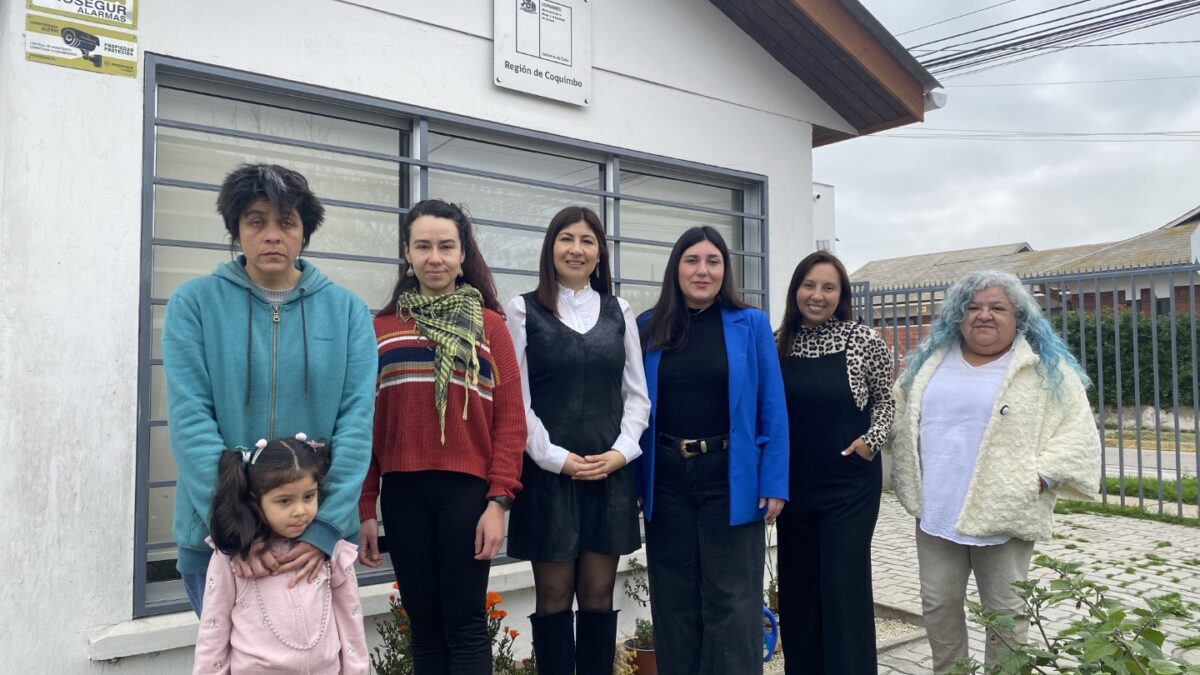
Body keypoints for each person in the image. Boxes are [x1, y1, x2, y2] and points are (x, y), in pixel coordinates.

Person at [163, 164, 377, 616]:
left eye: (286, 222)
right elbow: (189, 419)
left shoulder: (348, 313)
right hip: (221, 543)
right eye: (256, 221)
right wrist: (235, 528)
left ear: (304, 233)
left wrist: (325, 526)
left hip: (315, 543)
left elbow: (357, 423)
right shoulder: (193, 304)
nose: (272, 235)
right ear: (236, 230)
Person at [889, 270, 1100, 673]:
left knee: (1006, 614)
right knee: (938, 606)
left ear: (1018, 317)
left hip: (1005, 513)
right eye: (973, 307)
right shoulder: (929, 365)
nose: (984, 315)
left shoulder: (1043, 370)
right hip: (936, 512)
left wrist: (1039, 478)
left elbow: (1077, 434)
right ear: (958, 315)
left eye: (997, 308)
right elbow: (896, 416)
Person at [357, 199, 526, 674]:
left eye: (446, 246)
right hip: (403, 494)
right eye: (423, 246)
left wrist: (499, 502)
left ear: (462, 254)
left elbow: (511, 421)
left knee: (465, 623)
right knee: (424, 626)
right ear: (407, 254)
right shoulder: (380, 330)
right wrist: (365, 506)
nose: (435, 257)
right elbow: (364, 423)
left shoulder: (491, 327)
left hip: (468, 495)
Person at [503, 206, 651, 675]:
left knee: (598, 594)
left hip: (609, 476)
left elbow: (637, 396)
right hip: (548, 478)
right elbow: (516, 401)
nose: (576, 249)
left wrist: (620, 453)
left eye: (587, 241)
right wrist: (555, 458)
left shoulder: (619, 311)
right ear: (551, 248)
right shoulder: (522, 310)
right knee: (552, 597)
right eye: (566, 238)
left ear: (599, 253)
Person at [636, 225, 789, 675]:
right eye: (692, 260)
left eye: (713, 261)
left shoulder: (751, 324)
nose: (702, 270)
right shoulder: (648, 326)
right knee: (673, 600)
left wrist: (774, 480)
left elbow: (772, 405)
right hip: (666, 478)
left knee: (733, 602)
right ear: (676, 268)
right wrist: (635, 482)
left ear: (725, 270)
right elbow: (633, 407)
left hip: (731, 475)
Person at [774, 251, 894, 674]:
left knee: (843, 589)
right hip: (794, 487)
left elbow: (886, 401)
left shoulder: (862, 340)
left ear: (841, 295)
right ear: (796, 290)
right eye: (809, 285)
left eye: (829, 287)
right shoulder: (778, 341)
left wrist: (870, 442)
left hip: (849, 487)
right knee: (799, 589)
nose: (817, 295)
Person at [193, 434, 368, 674]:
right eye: (285, 501)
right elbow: (213, 630)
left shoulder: (332, 550)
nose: (300, 511)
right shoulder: (232, 558)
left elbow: (351, 619)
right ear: (255, 500)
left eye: (309, 496)